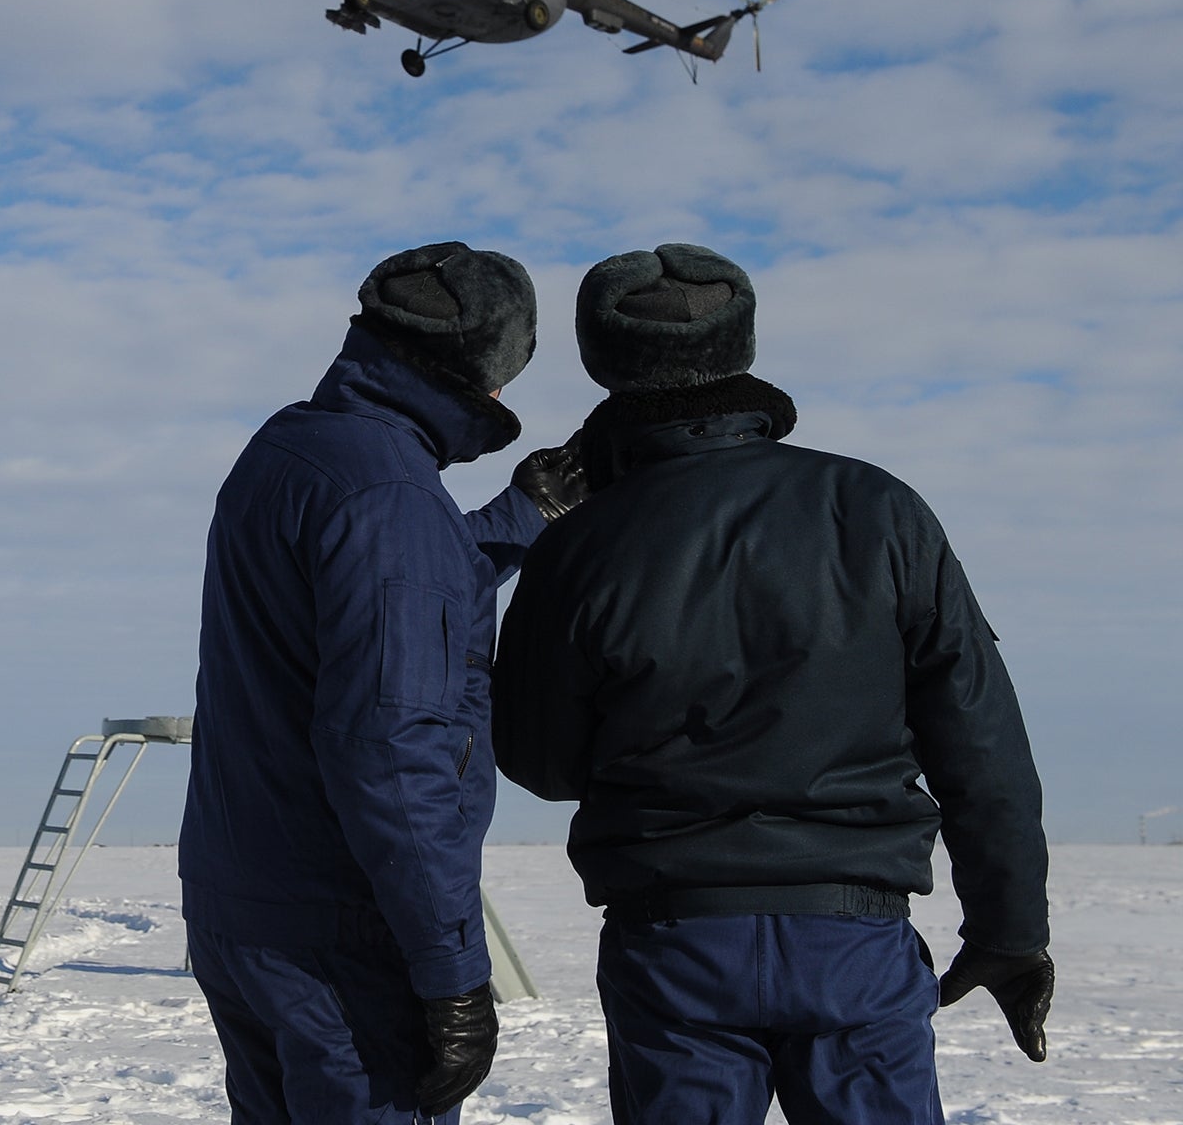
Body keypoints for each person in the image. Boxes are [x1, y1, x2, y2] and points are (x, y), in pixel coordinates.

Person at [493, 243, 1052, 1125]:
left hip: (674, 944)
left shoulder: (577, 546)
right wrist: (1010, 931)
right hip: (854, 942)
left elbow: (543, 765)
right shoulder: (877, 509)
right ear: (741, 345)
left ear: (603, 362)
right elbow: (978, 740)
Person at [180, 241, 586, 1124]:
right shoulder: (392, 497)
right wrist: (454, 980)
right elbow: (393, 753)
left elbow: (381, 602)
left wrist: (522, 515)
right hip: (341, 939)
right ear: (483, 377)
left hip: (243, 907)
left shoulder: (294, 446)